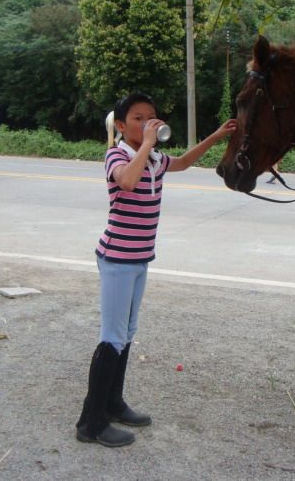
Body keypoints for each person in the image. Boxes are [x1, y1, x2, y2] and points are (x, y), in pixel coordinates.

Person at [76, 92, 237, 447]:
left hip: (139, 258)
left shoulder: (153, 158)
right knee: (112, 337)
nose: (148, 122)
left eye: (152, 117)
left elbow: (181, 163)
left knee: (127, 333)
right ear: (120, 125)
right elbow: (127, 182)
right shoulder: (117, 154)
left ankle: (113, 403)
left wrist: (216, 136)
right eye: (138, 118)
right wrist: (147, 143)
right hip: (117, 258)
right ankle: (91, 423)